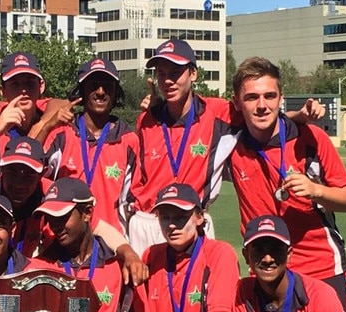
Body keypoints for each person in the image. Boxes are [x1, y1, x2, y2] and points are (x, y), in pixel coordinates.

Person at [129, 39, 326, 257]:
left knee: (198, 289)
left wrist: (300, 116)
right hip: (147, 220)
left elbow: (262, 116)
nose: (168, 80)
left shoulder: (220, 113)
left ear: (193, 74)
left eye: (175, 72)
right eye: (161, 73)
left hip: (192, 222)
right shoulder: (145, 120)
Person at [0, 136, 146, 312]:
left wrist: (129, 253)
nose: (19, 183)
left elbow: (97, 226)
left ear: (42, 172)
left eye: (28, 175)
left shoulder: (51, 193)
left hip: (32, 286)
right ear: (1, 169)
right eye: (13, 172)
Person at [229, 56, 346, 312]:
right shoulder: (231, 145)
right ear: (237, 103)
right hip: (266, 268)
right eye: (252, 97)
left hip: (320, 267)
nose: (262, 105)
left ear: (281, 98)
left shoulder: (311, 139)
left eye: (269, 96)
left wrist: (315, 190)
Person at [36, 177, 148, 312]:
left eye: (63, 217)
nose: (56, 225)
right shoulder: (41, 266)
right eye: (51, 218)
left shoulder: (118, 265)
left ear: (87, 213)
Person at [139, 183, 239, 312]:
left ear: (199, 217)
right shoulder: (151, 255)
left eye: (180, 217)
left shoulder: (219, 254)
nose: (171, 225)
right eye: (164, 217)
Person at [41, 58, 140, 235]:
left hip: (109, 242)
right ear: (82, 92)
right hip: (64, 237)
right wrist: (47, 125)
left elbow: (134, 198)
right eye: (93, 85)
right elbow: (35, 171)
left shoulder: (128, 140)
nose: (101, 92)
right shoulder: (62, 133)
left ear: (116, 93)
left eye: (107, 86)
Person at [0, 52, 67, 187]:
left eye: (29, 83)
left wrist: (42, 125)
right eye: (15, 84)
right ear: (2, 90)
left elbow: (62, 103)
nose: (23, 90)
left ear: (41, 86)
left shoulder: (56, 125)